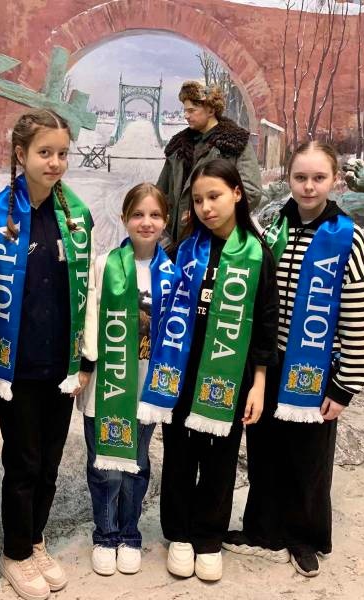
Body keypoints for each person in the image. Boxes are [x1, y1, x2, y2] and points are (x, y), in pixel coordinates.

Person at [224, 141, 364, 577]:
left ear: (335, 180)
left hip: (313, 367)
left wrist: (345, 387)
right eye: (300, 177)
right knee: (265, 450)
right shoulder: (274, 226)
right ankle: (263, 529)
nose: (309, 186)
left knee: (308, 458)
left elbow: (359, 318)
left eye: (318, 178)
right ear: (288, 178)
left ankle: (304, 537)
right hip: (269, 365)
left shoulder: (347, 236)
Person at [0, 109, 94, 600]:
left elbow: (88, 295)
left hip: (60, 369)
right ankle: (15, 553)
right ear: (20, 154)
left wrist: (85, 361)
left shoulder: (77, 216)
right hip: (17, 369)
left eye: (62, 153)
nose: (55, 162)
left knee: (49, 463)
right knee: (22, 463)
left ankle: (35, 539)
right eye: (45, 152)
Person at [143, 159, 278, 581]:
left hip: (229, 376)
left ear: (237, 193)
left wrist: (258, 384)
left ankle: (209, 537)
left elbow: (267, 322)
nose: (206, 207)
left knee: (220, 459)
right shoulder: (185, 250)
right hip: (181, 373)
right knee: (179, 457)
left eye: (214, 196)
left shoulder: (257, 254)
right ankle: (179, 535)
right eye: (198, 200)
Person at [76, 183, 174, 576]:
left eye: (154, 215)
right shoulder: (104, 265)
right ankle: (105, 534)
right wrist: (85, 365)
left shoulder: (172, 274)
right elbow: (88, 318)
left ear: (165, 221)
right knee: (104, 466)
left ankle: (129, 533)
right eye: (138, 214)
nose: (146, 222)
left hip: (146, 388)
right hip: (106, 385)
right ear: (124, 219)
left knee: (136, 463)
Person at [157, 81, 262, 247]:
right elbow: (160, 195)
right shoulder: (177, 147)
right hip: (176, 244)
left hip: (216, 243)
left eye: (192, 110)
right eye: (185, 110)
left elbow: (250, 192)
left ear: (211, 110)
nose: (186, 116)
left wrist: (206, 216)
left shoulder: (236, 144)